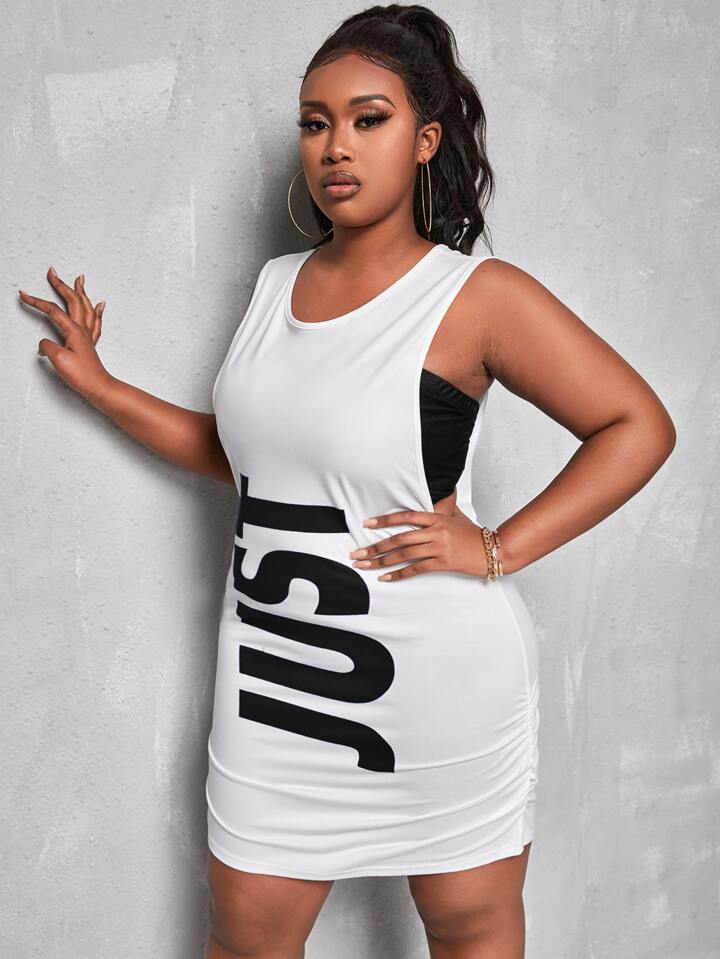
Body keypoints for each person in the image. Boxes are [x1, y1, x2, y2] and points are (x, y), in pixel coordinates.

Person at [19, 5, 676, 957]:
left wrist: (498, 548)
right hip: (274, 689)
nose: (336, 146)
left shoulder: (475, 296)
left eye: (370, 119)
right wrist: (103, 386)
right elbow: (251, 461)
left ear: (425, 140)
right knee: (246, 937)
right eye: (315, 122)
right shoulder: (273, 286)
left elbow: (638, 426)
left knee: (469, 929)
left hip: (438, 687)